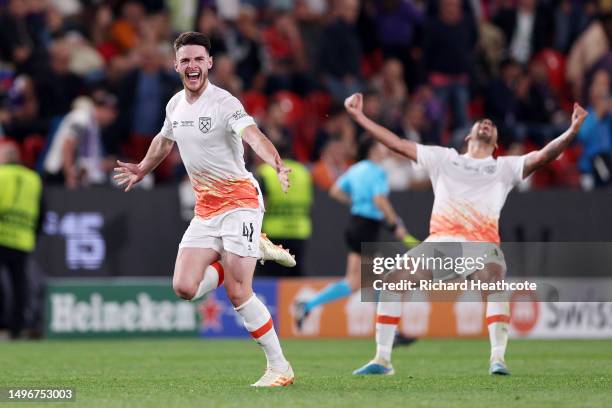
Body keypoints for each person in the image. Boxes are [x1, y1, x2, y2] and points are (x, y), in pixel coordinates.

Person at [343, 92, 588, 376]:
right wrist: (359, 117)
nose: (486, 124)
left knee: (494, 282)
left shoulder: (504, 167)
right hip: (439, 245)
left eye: (491, 125)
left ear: (496, 143)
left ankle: (498, 359)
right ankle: (382, 360)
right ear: (467, 137)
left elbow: (545, 155)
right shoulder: (443, 158)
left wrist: (571, 130)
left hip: (481, 245)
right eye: (481, 122)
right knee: (393, 279)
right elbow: (396, 144)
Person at [113, 32, 294, 387]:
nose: (192, 66)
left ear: (209, 63)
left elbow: (253, 134)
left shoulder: (224, 103)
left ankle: (280, 367)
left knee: (240, 292)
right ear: (176, 64)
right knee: (183, 287)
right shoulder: (175, 105)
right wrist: (142, 167)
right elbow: (163, 141)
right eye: (185, 60)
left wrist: (277, 163)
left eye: (199, 59)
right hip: (206, 209)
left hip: (240, 202)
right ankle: (247, 251)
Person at [293, 138, 418, 329]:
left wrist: (357, 203)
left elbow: (336, 191)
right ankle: (309, 305)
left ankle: (387, 328)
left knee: (373, 279)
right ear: (372, 150)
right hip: (367, 227)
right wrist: (396, 224)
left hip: (356, 224)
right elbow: (379, 200)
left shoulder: (356, 169)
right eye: (381, 146)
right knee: (359, 281)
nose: (385, 149)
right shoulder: (377, 172)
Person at [0, 140, 43, 339]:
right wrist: (34, 235)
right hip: (23, 239)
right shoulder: (33, 178)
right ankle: (16, 330)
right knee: (20, 287)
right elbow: (42, 211)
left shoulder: (1, 175)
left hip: (1, 236)